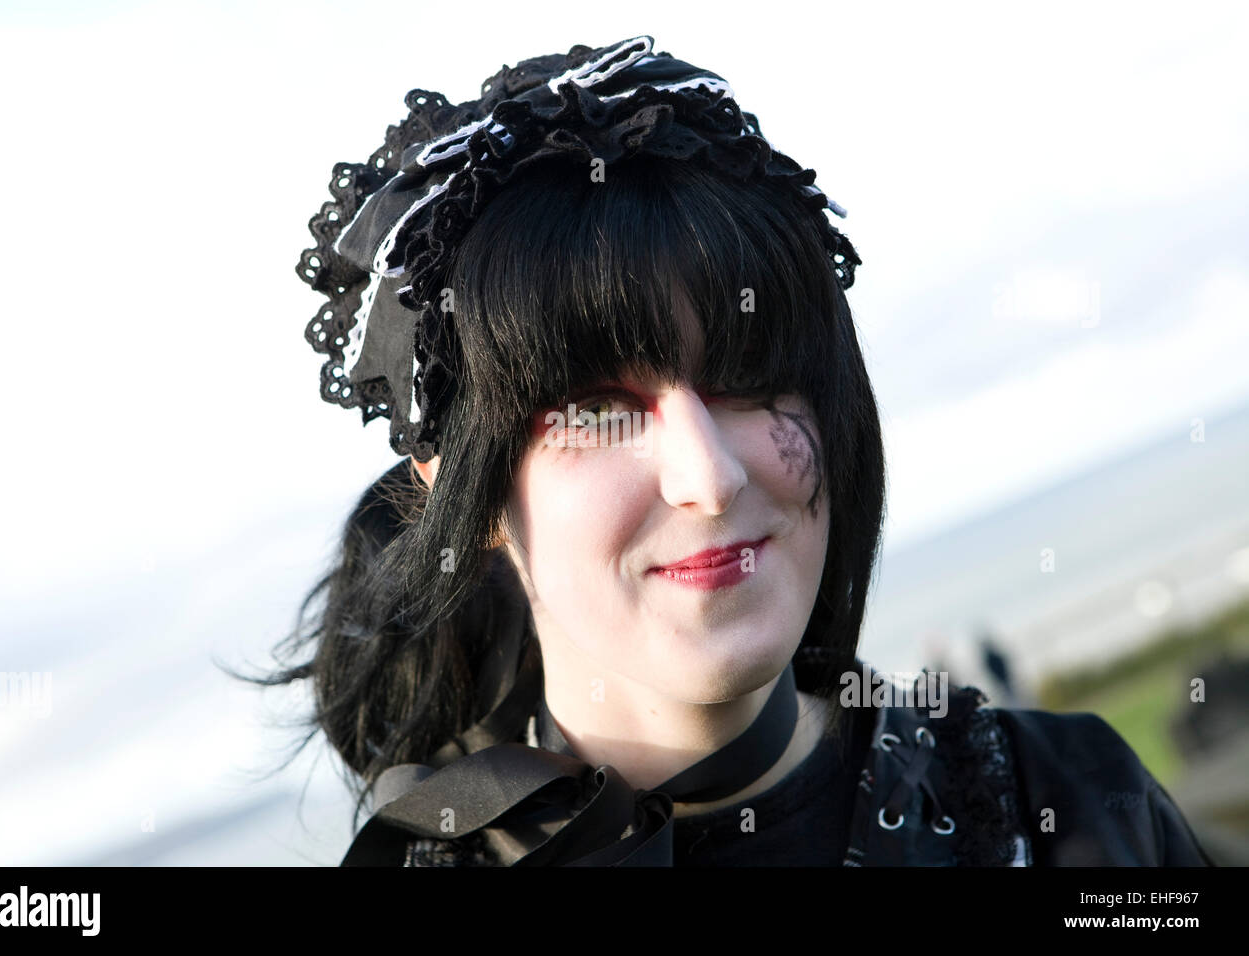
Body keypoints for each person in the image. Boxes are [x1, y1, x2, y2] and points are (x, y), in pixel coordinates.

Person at [243, 36, 1214, 866]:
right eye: (597, 407)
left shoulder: (1077, 808)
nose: (707, 475)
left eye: (748, 376)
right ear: (464, 490)